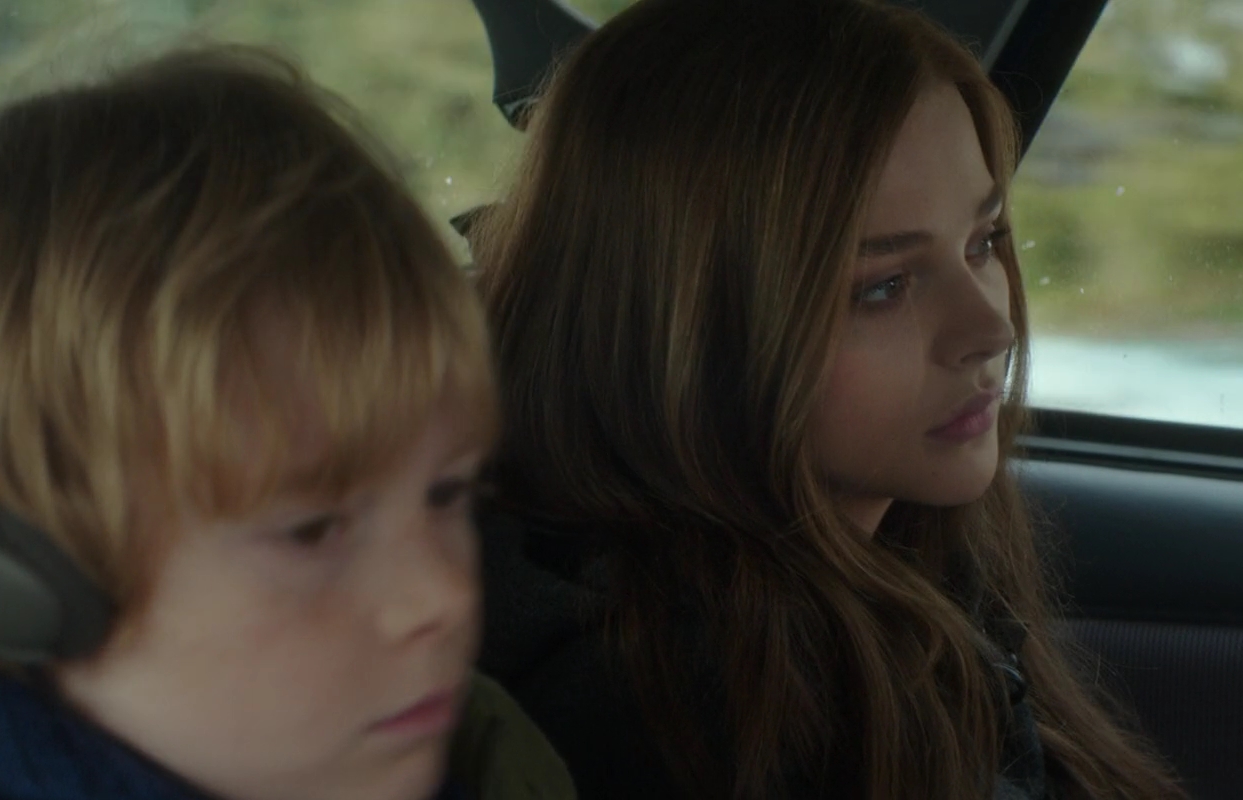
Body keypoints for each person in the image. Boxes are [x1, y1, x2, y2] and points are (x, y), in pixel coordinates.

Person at [467, 1, 1184, 798]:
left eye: (983, 242)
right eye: (883, 286)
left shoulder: (905, 570)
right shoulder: (679, 716)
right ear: (683, 328)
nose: (992, 328)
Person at [0, 46, 573, 800]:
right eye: (311, 529)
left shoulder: (492, 759)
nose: (445, 595)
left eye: (447, 493)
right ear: (5, 571)